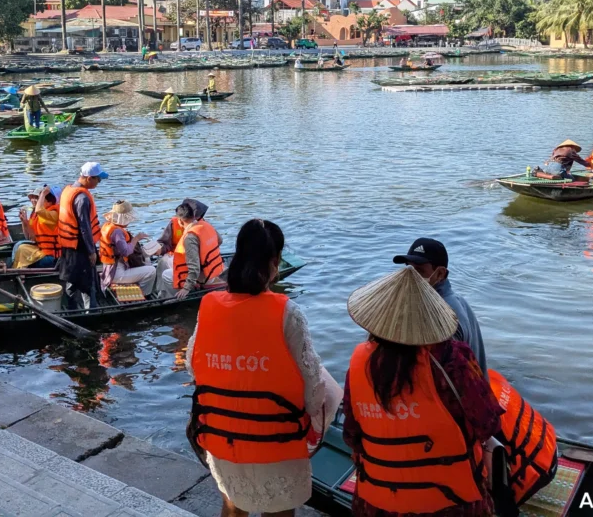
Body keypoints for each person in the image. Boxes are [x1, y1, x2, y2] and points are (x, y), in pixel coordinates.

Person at [187, 219, 336, 517]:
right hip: (276, 442)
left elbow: (194, 366)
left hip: (222, 435)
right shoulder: (288, 312)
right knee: (279, 512)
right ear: (275, 260)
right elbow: (313, 391)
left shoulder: (208, 305)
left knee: (232, 505)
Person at [343, 266, 502, 517]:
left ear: (379, 318)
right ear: (431, 317)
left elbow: (351, 435)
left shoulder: (358, 363)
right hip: (452, 505)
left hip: (378, 503)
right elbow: (488, 423)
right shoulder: (453, 359)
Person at [393, 238, 488, 373]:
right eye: (409, 269)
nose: (411, 277)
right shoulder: (458, 300)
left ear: (440, 273)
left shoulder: (444, 319)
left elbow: (451, 376)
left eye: (419, 271)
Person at [58, 162, 107, 309]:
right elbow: (85, 227)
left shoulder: (68, 190)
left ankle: (71, 311)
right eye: (98, 179)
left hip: (68, 247)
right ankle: (90, 313)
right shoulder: (82, 199)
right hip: (80, 248)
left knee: (71, 281)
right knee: (87, 284)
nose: (99, 182)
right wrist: (92, 252)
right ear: (89, 178)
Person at [163, 198, 224, 299]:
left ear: (180, 221)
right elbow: (220, 240)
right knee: (168, 261)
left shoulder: (190, 237)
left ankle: (174, 298)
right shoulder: (206, 225)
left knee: (166, 275)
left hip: (203, 276)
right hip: (214, 269)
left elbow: (194, 267)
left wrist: (186, 288)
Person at [99, 200, 156, 296]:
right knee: (151, 270)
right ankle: (144, 294)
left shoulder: (107, 226)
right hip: (116, 273)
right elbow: (126, 252)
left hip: (109, 268)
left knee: (146, 258)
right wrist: (137, 238)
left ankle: (138, 287)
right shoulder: (117, 232)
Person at [13, 186, 60, 269]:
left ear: (49, 202)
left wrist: (43, 194)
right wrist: (25, 222)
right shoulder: (37, 215)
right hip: (42, 250)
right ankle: (18, 272)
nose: (34, 201)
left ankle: (20, 274)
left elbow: (39, 210)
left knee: (22, 249)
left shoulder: (53, 214)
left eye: (38, 199)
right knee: (20, 247)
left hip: (53, 256)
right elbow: (31, 237)